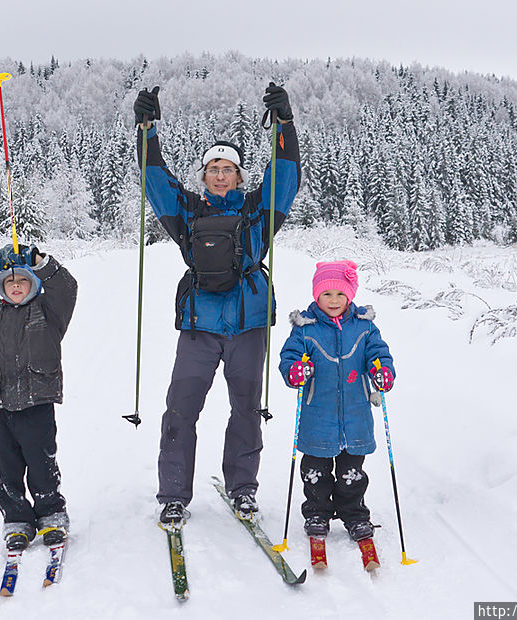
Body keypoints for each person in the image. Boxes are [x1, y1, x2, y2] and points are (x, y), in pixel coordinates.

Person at [133, 82, 302, 527]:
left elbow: (285, 177)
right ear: (204, 175)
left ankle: (243, 490)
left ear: (240, 176)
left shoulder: (258, 212)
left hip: (247, 325)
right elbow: (156, 181)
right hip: (199, 326)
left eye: (228, 169)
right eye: (213, 169)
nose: (221, 175)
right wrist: (146, 131)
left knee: (246, 410)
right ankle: (173, 495)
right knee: (180, 410)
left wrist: (284, 124)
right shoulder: (188, 212)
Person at [0, 243, 77, 551]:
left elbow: (66, 287)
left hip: (37, 403)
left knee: (41, 463)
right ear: (1, 287)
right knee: (6, 466)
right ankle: (17, 520)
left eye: (22, 280)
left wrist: (38, 261)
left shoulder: (49, 311)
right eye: (9, 281)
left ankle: (51, 515)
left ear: (33, 283)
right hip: (2, 404)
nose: (16, 285)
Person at [278, 260, 395, 542]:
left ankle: (354, 514)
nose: (333, 300)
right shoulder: (305, 329)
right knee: (315, 471)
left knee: (351, 472)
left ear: (350, 296)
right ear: (316, 295)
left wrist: (382, 371)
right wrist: (295, 371)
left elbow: (378, 353)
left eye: (340, 294)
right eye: (327, 294)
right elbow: (289, 357)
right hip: (318, 413)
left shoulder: (365, 327)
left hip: (356, 413)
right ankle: (317, 512)